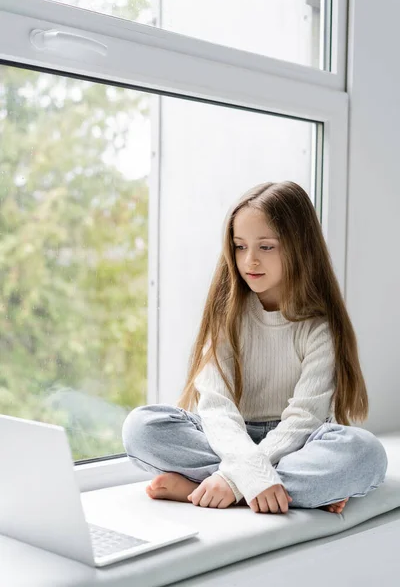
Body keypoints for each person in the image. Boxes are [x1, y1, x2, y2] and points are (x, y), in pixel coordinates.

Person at [122, 181, 388, 515]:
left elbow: (304, 419)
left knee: (365, 452)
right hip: (230, 435)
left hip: (298, 443)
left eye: (266, 247)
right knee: (142, 427)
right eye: (239, 246)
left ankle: (215, 488)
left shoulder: (319, 327)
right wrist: (248, 467)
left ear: (299, 247)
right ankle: (279, 490)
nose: (250, 260)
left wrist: (234, 478)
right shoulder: (228, 316)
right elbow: (216, 408)